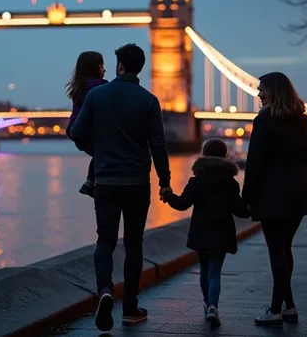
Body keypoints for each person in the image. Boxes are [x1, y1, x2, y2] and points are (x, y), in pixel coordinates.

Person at [71, 43, 172, 332]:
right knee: (134, 243)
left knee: (105, 240)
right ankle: (130, 308)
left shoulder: (97, 95)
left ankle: (104, 290)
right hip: (138, 182)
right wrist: (164, 181)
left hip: (105, 181)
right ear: (139, 67)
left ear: (119, 66)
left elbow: (77, 133)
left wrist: (99, 150)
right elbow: (158, 145)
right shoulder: (149, 100)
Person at [241, 72, 307, 328]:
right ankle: (289, 307)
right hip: (300, 192)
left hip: (272, 195)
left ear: (272, 92)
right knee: (285, 248)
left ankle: (275, 310)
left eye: (261, 90)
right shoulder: (303, 120)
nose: (258, 95)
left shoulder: (264, 120)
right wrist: (298, 168)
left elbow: (254, 164)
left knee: (276, 250)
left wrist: (246, 197)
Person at [161, 139, 250, 328]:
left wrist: (168, 195)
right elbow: (240, 210)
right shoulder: (231, 183)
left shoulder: (196, 181)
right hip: (222, 233)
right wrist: (253, 204)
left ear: (204, 154)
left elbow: (182, 203)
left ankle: (206, 304)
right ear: (225, 156)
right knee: (215, 273)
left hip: (200, 232)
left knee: (204, 270)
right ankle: (213, 306)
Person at [65, 51, 107, 197]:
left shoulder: (79, 88)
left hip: (76, 132)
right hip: (90, 132)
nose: (105, 70)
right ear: (96, 69)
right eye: (102, 66)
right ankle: (91, 183)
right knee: (104, 152)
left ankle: (89, 182)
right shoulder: (102, 88)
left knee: (99, 155)